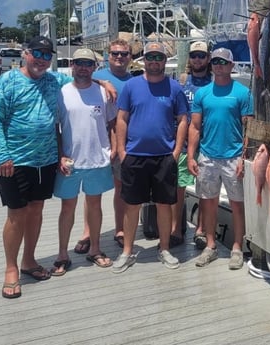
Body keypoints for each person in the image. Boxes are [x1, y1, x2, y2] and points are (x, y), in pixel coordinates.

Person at [0, 36, 73, 299]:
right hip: (14, 161)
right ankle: (11, 268)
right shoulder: (8, 82)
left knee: (36, 209)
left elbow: (81, 81)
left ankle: (29, 260)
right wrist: (2, 155)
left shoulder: (54, 80)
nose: (42, 60)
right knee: (16, 214)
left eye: (48, 55)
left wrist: (103, 82)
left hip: (45, 161)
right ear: (25, 53)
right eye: (38, 53)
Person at [112, 41, 188, 273]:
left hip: (164, 156)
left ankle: (163, 248)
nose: (154, 61)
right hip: (134, 156)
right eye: (150, 57)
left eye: (159, 57)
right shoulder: (131, 86)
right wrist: (123, 152)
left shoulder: (174, 87)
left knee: (164, 205)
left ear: (165, 61)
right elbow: (121, 119)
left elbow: (183, 119)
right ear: (143, 60)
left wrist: (176, 152)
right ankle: (127, 251)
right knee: (132, 205)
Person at [187, 48, 254, 270]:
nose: (218, 65)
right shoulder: (202, 93)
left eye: (223, 62)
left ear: (231, 65)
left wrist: (244, 158)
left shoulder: (242, 93)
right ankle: (211, 245)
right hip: (207, 156)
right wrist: (191, 156)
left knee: (237, 204)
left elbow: (249, 130)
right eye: (215, 61)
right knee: (208, 202)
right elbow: (195, 126)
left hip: (233, 157)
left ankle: (237, 247)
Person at [51, 48, 116, 276]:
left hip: (98, 159)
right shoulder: (61, 92)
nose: (83, 67)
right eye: (79, 62)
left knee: (95, 205)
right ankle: (62, 254)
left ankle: (95, 249)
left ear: (94, 67)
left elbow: (112, 123)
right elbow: (56, 129)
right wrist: (60, 154)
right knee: (67, 207)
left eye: (88, 63)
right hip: (70, 161)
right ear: (72, 65)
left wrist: (114, 149)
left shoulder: (103, 92)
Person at [72, 38, 133, 254]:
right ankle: (87, 232)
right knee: (92, 192)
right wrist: (103, 83)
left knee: (121, 188)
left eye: (124, 54)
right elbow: (78, 80)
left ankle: (119, 229)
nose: (119, 57)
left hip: (124, 143)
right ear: (107, 56)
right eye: (115, 53)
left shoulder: (134, 81)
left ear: (130, 58)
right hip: (96, 142)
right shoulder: (96, 76)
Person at [170, 40, 212, 249]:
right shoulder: (182, 80)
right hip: (184, 144)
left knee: (205, 189)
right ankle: (176, 228)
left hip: (207, 144)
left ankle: (201, 230)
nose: (197, 59)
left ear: (208, 58)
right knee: (180, 188)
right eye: (194, 55)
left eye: (201, 56)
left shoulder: (214, 82)